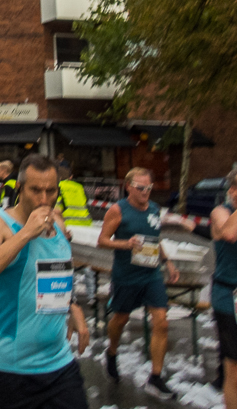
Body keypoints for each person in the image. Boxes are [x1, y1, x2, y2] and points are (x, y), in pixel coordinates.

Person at [0, 154, 89, 409]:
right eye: (36, 190)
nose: (44, 199)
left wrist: (73, 306)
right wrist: (25, 234)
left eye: (50, 191)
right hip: (9, 370)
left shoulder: (57, 221)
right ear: (20, 188)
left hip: (59, 365)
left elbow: (54, 271)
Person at [98, 166, 179, 399]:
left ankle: (156, 377)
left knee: (161, 322)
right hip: (126, 275)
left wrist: (168, 262)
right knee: (120, 318)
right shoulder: (117, 210)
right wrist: (125, 243)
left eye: (149, 188)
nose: (145, 192)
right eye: (140, 188)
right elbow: (102, 240)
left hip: (151, 274)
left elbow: (155, 239)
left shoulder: (154, 208)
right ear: (129, 187)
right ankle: (111, 352)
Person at [211, 164, 237, 409]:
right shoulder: (221, 212)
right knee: (236, 372)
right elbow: (229, 233)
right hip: (230, 296)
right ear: (233, 190)